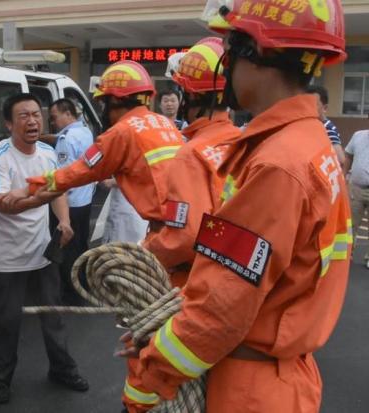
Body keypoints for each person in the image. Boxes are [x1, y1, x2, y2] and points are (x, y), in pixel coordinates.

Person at [127, 1, 352, 412]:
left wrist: (151, 374)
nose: (226, 66)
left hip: (249, 390)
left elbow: (221, 305)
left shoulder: (277, 163)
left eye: (232, 48)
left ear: (259, 52)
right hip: (284, 377)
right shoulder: (310, 144)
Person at [121, 36, 242, 413]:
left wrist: (143, 253)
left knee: (150, 360)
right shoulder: (240, 142)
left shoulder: (191, 155)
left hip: (186, 284)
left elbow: (186, 234)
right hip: (233, 287)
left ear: (188, 96)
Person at [0, 93, 88, 404]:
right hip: (6, 258)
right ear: (8, 123)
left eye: (36, 115)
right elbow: (6, 206)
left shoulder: (47, 152)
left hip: (44, 253)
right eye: (24, 116)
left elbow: (58, 191)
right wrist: (42, 191)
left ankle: (62, 369)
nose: (32, 121)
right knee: (5, 322)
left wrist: (65, 221)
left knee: (53, 315)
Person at [24, 60, 185, 241]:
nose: (103, 110)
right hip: (175, 222)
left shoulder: (122, 132)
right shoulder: (164, 123)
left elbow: (78, 171)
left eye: (103, 103)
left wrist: (32, 187)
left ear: (115, 99)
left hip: (143, 225)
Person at [48, 98, 95, 301]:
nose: (52, 122)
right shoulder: (85, 132)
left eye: (54, 117)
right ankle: (83, 287)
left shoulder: (65, 139)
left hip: (69, 204)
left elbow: (63, 176)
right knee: (81, 247)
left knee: (66, 252)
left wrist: (61, 214)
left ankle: (71, 294)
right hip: (85, 201)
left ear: (67, 114)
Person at [344, 128, 369, 267]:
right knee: (351, 224)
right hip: (356, 188)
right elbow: (348, 156)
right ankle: (348, 254)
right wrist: (344, 176)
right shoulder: (358, 136)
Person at [306, 84, 346, 165]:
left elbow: (340, 159)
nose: (308, 107)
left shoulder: (327, 128)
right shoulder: (313, 125)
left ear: (325, 108)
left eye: (313, 104)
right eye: (306, 104)